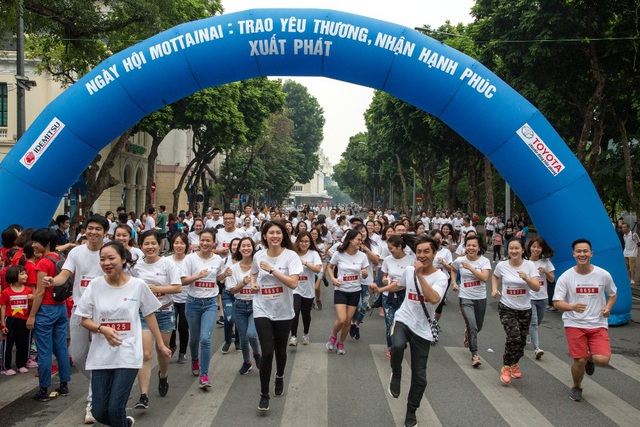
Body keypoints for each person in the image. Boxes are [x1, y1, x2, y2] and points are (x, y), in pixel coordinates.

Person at [76, 241, 170, 427]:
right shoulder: (95, 286)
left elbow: (149, 313)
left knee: (115, 407)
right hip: (101, 355)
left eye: (111, 258)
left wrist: (160, 344)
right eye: (102, 259)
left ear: (123, 259)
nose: (106, 263)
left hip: (127, 353)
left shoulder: (137, 285)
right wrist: (102, 329)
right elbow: (84, 318)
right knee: (99, 411)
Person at [43, 214, 108, 423]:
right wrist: (52, 281)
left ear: (105, 232)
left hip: (105, 312)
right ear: (85, 230)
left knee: (99, 356)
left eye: (98, 229)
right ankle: (101, 384)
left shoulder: (110, 251)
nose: (93, 232)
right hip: (81, 309)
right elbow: (65, 275)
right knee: (78, 355)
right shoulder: (76, 252)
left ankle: (93, 402)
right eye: (90, 228)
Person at [387, 235, 448, 427]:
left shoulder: (441, 277)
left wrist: (420, 275)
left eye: (426, 251)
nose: (421, 255)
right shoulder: (409, 270)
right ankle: (396, 373)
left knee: (420, 377)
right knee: (396, 346)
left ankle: (411, 411)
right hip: (404, 318)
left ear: (435, 253)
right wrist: (381, 290)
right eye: (418, 251)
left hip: (423, 328)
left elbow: (433, 299)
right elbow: (400, 285)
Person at [552, 238, 617, 402]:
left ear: (591, 253)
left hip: (598, 323)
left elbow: (612, 294)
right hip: (574, 323)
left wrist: (608, 308)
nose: (582, 254)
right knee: (578, 360)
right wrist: (572, 307)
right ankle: (576, 386)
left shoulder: (603, 275)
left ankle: (590, 359)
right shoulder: (566, 277)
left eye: (585, 251)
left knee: (602, 360)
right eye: (579, 251)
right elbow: (557, 302)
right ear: (573, 254)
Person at [250, 221, 302, 411]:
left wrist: (272, 270)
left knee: (281, 350)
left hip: (283, 310)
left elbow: (294, 284)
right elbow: (253, 273)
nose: (274, 236)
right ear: (264, 236)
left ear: (283, 235)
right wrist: (253, 283)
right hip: (262, 308)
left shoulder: (291, 256)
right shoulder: (258, 256)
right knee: (268, 351)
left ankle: (279, 376)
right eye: (271, 233)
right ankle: (264, 394)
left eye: (278, 233)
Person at [131, 230, 182, 409]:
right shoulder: (135, 267)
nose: (150, 247)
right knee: (145, 354)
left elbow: (177, 288)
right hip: (143, 314)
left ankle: (163, 375)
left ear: (160, 245)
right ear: (141, 246)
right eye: (146, 244)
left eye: (153, 243)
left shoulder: (168, 264)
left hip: (164, 312)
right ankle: (143, 395)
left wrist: (155, 289)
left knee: (163, 351)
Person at [27, 228, 72, 402]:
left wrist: (32, 316)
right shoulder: (60, 258)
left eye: (36, 242)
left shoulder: (43, 263)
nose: (33, 245)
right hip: (61, 308)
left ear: (45, 243)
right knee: (61, 348)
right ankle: (64, 385)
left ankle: (44, 389)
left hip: (45, 310)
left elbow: (39, 292)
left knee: (44, 351)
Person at [181, 228, 226, 389]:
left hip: (210, 303)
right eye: (202, 240)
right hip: (193, 303)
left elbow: (219, 278)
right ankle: (194, 359)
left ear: (214, 243)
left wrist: (225, 275)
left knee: (205, 338)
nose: (205, 243)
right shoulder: (190, 259)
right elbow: (183, 281)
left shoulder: (218, 260)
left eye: (208, 241)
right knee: (194, 338)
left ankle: (204, 374)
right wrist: (197, 276)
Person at [491, 238, 540, 384]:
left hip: (525, 309)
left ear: (522, 250)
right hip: (507, 307)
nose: (514, 251)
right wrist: (494, 288)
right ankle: (506, 366)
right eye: (511, 248)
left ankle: (514, 363)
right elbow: (495, 276)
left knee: (522, 342)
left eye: (517, 248)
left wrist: (526, 278)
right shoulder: (502, 265)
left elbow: (536, 287)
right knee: (514, 337)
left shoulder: (530, 266)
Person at [326, 229, 369, 356]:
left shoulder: (362, 256)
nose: (360, 242)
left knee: (348, 321)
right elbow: (330, 267)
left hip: (355, 290)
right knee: (341, 319)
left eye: (361, 240)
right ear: (350, 240)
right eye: (358, 239)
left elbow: (364, 275)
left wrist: (365, 274)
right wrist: (333, 279)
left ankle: (341, 343)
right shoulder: (339, 253)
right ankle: (333, 336)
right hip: (341, 290)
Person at [452, 235, 491, 367]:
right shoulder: (460, 260)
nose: (471, 248)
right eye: (468, 245)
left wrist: (471, 268)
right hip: (465, 297)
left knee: (478, 326)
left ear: (479, 247)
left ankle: (468, 332)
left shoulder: (484, 262)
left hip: (480, 297)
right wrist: (454, 283)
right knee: (473, 325)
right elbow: (453, 269)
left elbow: (484, 278)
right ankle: (475, 354)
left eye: (474, 245)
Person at [373, 235, 414, 359]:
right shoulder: (387, 260)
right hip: (388, 296)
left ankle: (400, 342)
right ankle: (391, 347)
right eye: (388, 248)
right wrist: (385, 279)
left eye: (392, 248)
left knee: (403, 323)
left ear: (400, 247)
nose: (390, 250)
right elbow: (385, 275)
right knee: (390, 323)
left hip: (405, 296)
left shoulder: (411, 260)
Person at [226, 237, 262, 375]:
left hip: (255, 304)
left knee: (251, 334)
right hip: (239, 305)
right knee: (243, 337)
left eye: (249, 246)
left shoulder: (258, 267)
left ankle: (257, 354)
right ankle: (247, 362)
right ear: (239, 249)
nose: (246, 248)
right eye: (243, 246)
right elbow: (232, 290)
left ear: (253, 248)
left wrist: (255, 286)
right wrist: (242, 283)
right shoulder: (233, 269)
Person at [290, 231, 322, 346]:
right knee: (295, 310)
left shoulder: (313, 254)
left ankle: (305, 334)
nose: (304, 244)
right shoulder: (292, 254)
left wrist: (305, 263)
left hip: (308, 289)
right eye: (302, 241)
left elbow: (318, 269)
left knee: (306, 314)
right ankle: (293, 336)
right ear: (298, 242)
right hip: (295, 288)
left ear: (310, 243)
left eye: (306, 241)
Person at [1, 265, 34, 375]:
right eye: (22, 273)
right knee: (8, 344)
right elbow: (3, 307)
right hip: (10, 320)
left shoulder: (28, 290)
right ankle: (6, 366)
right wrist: (3, 324)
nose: (26, 275)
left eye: (25, 273)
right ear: (14, 276)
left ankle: (22, 364)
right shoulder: (6, 292)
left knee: (23, 343)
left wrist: (31, 300)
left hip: (24, 321)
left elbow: (30, 307)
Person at [526, 237, 555, 360]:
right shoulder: (525, 263)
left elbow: (552, 279)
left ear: (542, 249)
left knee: (538, 321)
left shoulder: (546, 262)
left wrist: (545, 272)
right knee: (533, 323)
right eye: (534, 246)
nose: (536, 249)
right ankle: (537, 348)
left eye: (538, 247)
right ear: (530, 248)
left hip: (543, 298)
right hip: (529, 297)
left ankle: (527, 332)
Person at [167, 233, 190, 364]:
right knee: (171, 327)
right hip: (171, 299)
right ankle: (172, 345)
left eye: (181, 243)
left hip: (187, 299)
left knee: (183, 327)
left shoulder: (190, 259)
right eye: (176, 243)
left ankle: (183, 352)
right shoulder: (167, 260)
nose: (179, 246)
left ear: (186, 245)